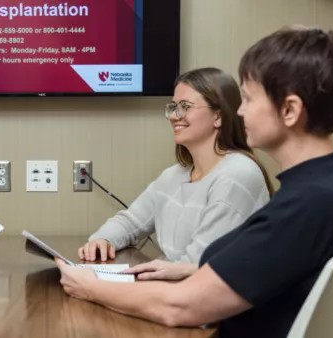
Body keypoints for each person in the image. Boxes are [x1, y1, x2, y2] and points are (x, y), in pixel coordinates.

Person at [56, 26, 333, 338]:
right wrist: (189, 269)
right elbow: (278, 270)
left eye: (248, 99)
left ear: (289, 110)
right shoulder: (327, 188)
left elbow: (182, 307)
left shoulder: (306, 204)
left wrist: (90, 286)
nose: (239, 110)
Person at [79, 67, 274, 280]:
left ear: (218, 116)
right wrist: (103, 240)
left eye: (185, 107)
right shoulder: (174, 175)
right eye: (172, 107)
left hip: (203, 302)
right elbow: (130, 222)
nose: (173, 116)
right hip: (173, 292)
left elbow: (197, 265)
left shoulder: (238, 174)